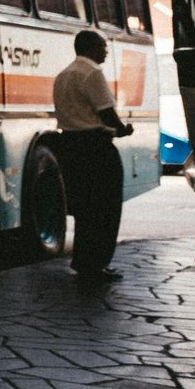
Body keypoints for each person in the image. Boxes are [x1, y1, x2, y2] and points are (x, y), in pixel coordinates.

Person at [51, 30, 134, 284]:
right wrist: (122, 130)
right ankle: (97, 265)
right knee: (106, 208)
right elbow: (106, 111)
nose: (106, 51)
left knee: (85, 210)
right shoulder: (92, 73)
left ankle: (82, 261)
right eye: (103, 46)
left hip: (70, 145)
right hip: (96, 147)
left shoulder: (63, 75)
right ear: (91, 47)